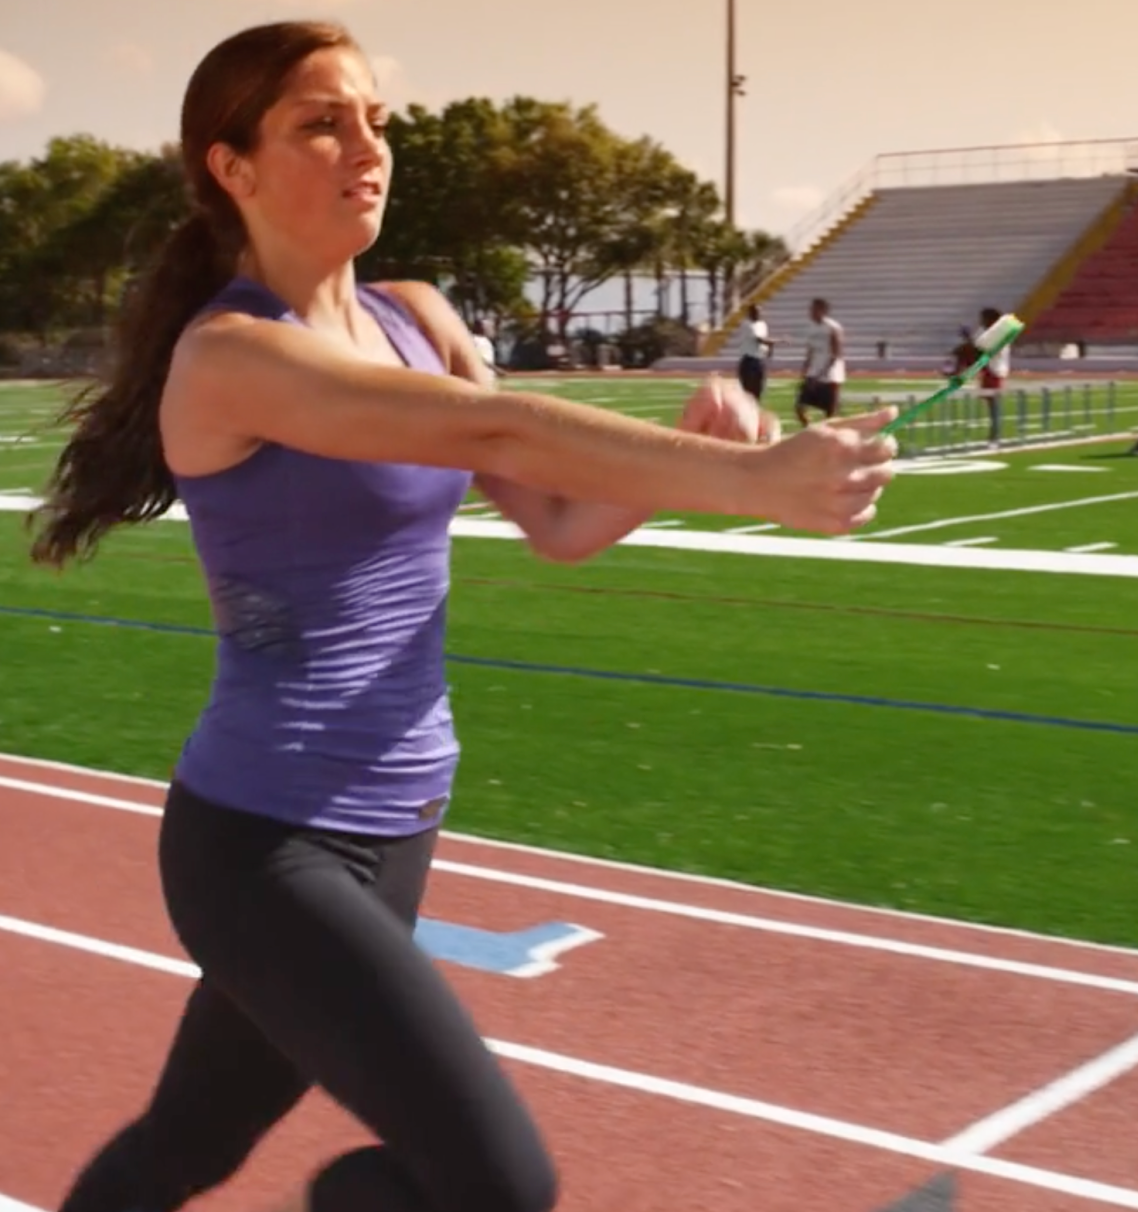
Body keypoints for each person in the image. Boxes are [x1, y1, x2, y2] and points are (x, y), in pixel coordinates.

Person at [27, 20, 897, 1212]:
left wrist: (683, 455)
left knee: (188, 1145)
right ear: (229, 168)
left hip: (396, 825)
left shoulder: (415, 315)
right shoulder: (229, 356)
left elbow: (553, 518)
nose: (365, 147)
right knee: (497, 1184)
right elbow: (489, 431)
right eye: (320, 123)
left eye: (374, 120)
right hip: (261, 844)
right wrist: (750, 484)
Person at [794, 297, 845, 427]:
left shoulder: (833, 328)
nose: (810, 311)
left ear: (823, 310)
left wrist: (823, 372)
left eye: (814, 309)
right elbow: (810, 352)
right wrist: (805, 371)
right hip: (813, 373)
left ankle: (830, 440)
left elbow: (836, 354)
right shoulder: (810, 328)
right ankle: (810, 431)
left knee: (830, 414)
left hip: (831, 376)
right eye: (811, 309)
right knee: (799, 407)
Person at [976, 306, 1009, 447]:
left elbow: (988, 349)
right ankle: (993, 435)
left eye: (984, 318)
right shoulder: (987, 332)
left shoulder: (1000, 334)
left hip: (995, 371)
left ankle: (995, 437)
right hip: (988, 370)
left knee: (994, 406)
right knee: (990, 405)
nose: (981, 321)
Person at [736, 303, 774, 402]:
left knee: (759, 390)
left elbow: (764, 342)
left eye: (759, 312)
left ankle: (755, 412)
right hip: (749, 361)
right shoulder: (747, 324)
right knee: (748, 392)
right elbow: (760, 339)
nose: (758, 314)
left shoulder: (762, 325)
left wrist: (769, 350)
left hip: (759, 360)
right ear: (750, 313)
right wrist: (778, 341)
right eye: (755, 312)